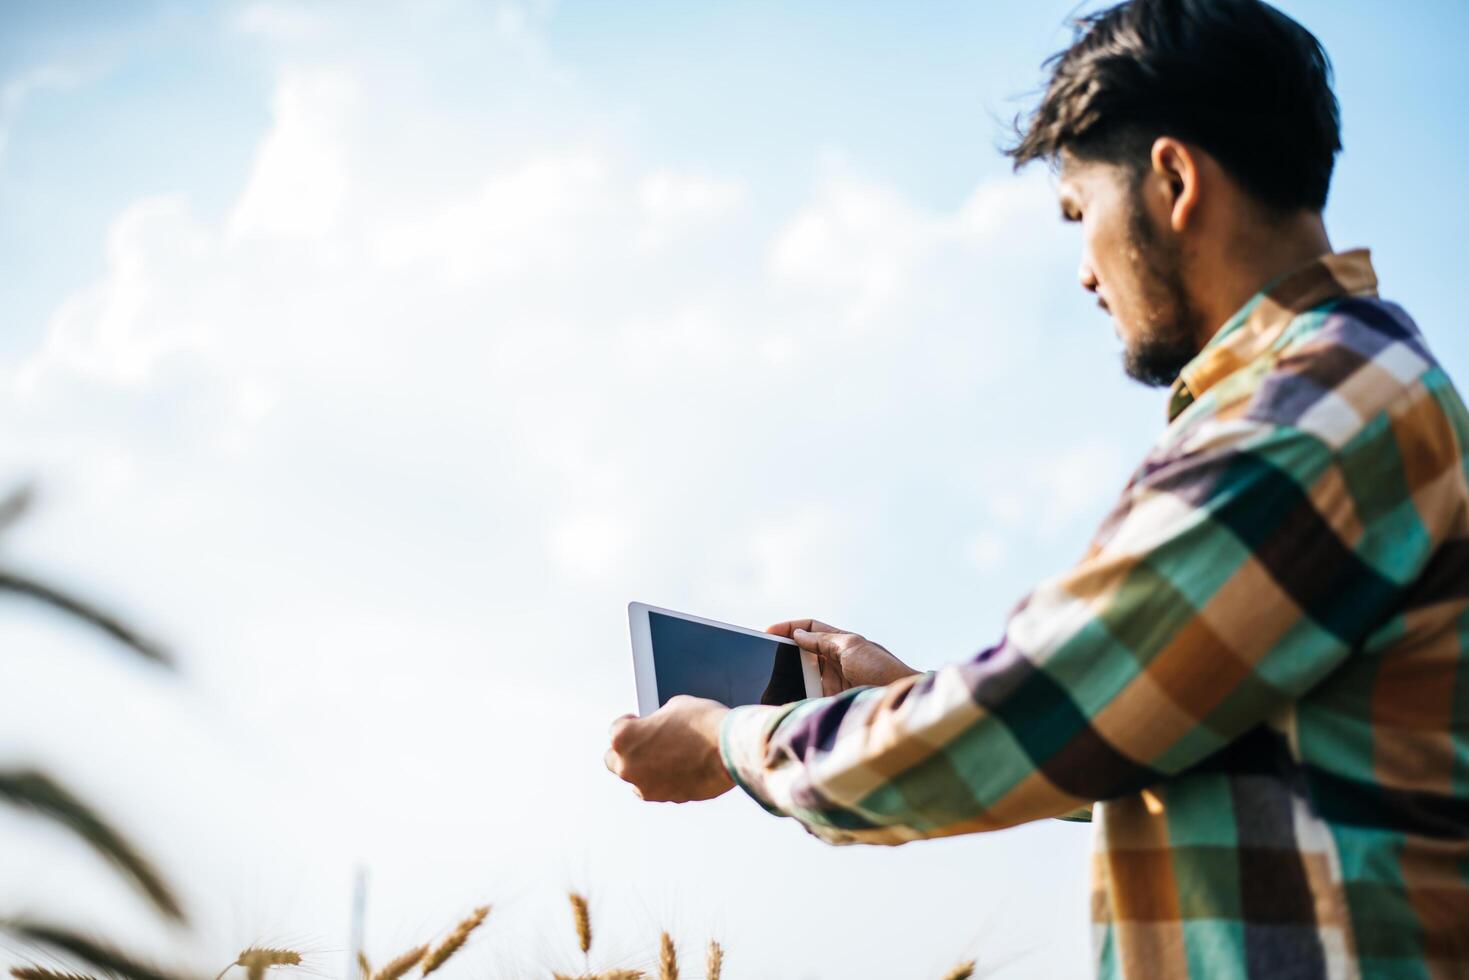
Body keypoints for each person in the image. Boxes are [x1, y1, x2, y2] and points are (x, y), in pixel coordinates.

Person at [604, 0, 1469, 976]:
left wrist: (731, 738)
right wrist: (905, 693)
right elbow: (1138, 738)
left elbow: (1037, 711)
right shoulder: (1353, 393)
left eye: (1077, 213)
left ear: (1174, 181)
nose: (1084, 273)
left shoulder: (1307, 417)